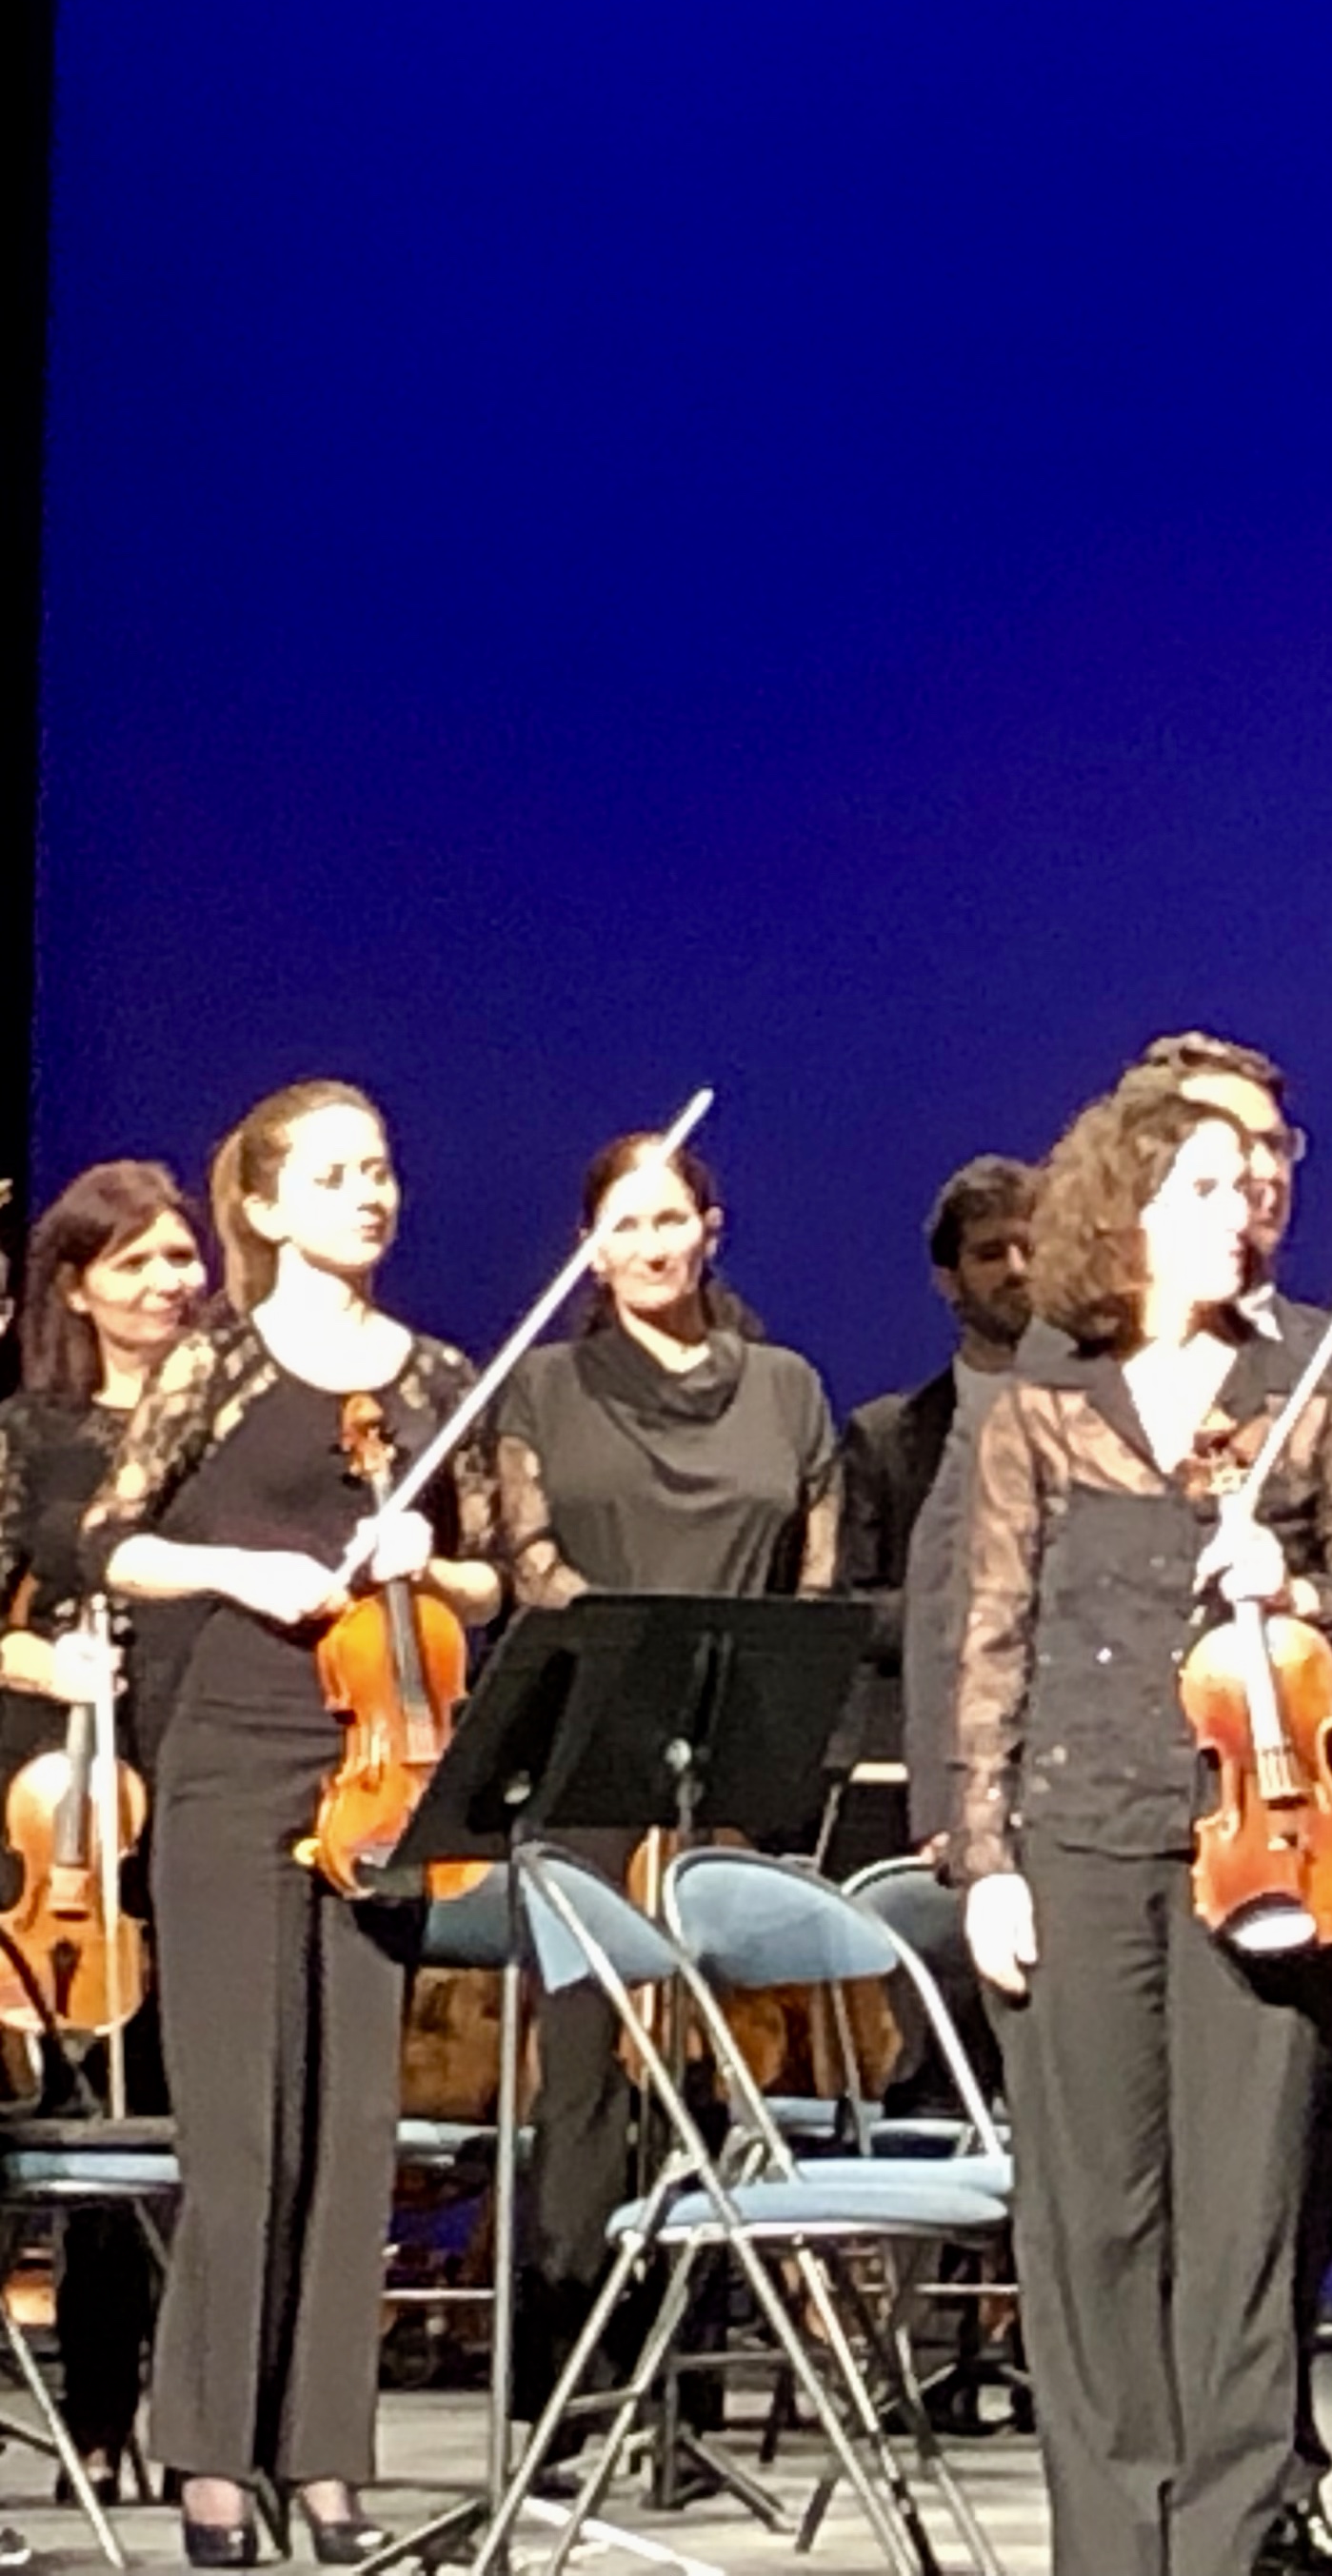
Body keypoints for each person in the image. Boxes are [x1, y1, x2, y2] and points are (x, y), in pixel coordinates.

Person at [947, 1076, 1332, 2576]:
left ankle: (1224, 2544)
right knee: (1093, 2219)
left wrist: (1301, 1590)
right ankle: (1111, 2549)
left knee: (1246, 2221)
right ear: (1125, 1214)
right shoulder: (1040, 1409)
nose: (1243, 1210)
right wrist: (986, 1861)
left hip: (1269, 1841)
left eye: (1248, 1183)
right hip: (1080, 1835)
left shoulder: (1309, 1392)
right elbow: (990, 1639)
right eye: (1203, 1189)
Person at [91, 1081, 508, 2567]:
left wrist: (430, 1562)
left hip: (383, 1763)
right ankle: (212, 2456)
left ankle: (327, 2458)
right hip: (232, 1761)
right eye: (334, 1175)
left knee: (352, 2134)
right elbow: (112, 1539)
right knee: (244, 2131)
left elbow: (501, 1577)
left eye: (379, 1169)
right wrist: (235, 1569)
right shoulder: (216, 1361)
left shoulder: (439, 1375)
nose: (369, 1194)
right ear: (264, 1206)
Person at [490, 1131, 844, 2425]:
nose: (649, 1246)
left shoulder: (788, 1387)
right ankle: (570, 2370)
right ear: (591, 1250)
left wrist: (744, 1684)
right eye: (623, 1225)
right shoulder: (543, 1388)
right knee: (586, 2062)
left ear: (711, 1229)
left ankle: (689, 2376)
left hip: (731, 1748)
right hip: (590, 1743)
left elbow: (815, 1572)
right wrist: (635, 1657)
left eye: (669, 1220)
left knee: (711, 2060)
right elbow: (527, 1559)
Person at [0, 1162, 209, 2523]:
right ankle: (91, 2405)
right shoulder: (32, 1433)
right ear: (77, 1286)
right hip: (60, 1801)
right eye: (135, 1263)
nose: (168, 1283)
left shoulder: (221, 1426)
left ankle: (188, 2416)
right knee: (79, 2103)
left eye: (181, 1258)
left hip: (201, 1767)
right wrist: (50, 1667)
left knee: (188, 2100)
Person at [838, 1153, 1036, 1596]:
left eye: (1031, 1250)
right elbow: (859, 1602)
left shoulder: (1117, 1417)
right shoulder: (884, 1440)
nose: (1017, 1270)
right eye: (990, 1254)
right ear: (949, 1281)